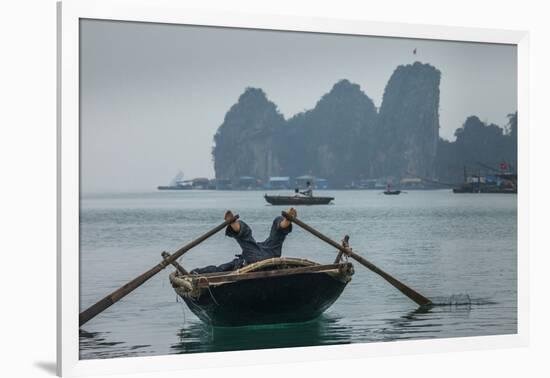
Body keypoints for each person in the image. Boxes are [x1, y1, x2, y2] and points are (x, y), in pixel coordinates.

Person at [190, 208, 296, 274]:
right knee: (276, 233)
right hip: (272, 254)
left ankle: (236, 225)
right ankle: (285, 221)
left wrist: (196, 272)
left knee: (247, 237)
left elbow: (219, 269)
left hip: (256, 257)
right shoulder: (267, 246)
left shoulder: (247, 255)